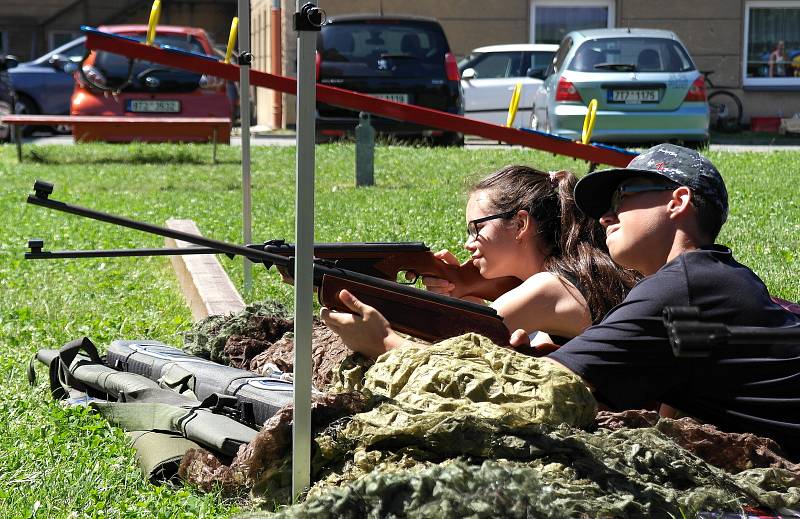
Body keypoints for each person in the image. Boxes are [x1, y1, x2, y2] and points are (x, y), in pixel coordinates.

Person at [321, 144, 800, 459]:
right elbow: (684, 390)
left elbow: (532, 393)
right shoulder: (711, 285)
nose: (609, 214)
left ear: (678, 203)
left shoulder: (684, 287)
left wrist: (386, 343)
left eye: (627, 195)